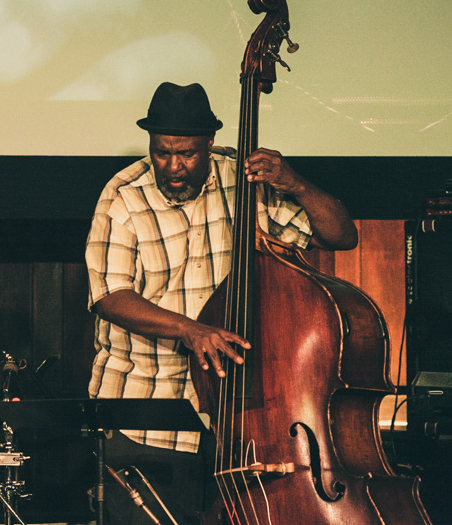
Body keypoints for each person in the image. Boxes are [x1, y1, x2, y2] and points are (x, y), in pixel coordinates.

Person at [85, 82, 358, 525]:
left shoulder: (244, 183)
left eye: (187, 154)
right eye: (161, 152)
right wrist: (192, 330)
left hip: (243, 423)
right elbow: (110, 296)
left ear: (210, 144)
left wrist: (296, 184)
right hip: (146, 412)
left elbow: (340, 235)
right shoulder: (123, 196)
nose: (172, 166)